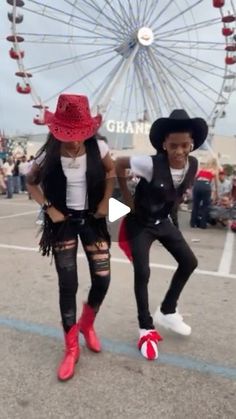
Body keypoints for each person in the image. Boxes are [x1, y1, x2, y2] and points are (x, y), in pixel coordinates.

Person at [26, 94, 115, 381]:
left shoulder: (98, 147)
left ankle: (87, 324)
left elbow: (112, 170)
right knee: (68, 285)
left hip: (92, 219)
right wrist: (49, 209)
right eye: (68, 135)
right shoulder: (47, 152)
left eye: (79, 134)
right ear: (57, 131)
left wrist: (105, 202)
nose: (74, 141)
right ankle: (71, 347)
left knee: (103, 277)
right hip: (62, 222)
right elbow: (31, 183)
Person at [116, 109, 208, 361]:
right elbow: (118, 164)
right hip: (140, 223)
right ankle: (145, 327)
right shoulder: (149, 163)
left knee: (190, 262)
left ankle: (167, 310)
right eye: (174, 146)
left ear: (192, 144)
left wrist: (174, 221)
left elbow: (175, 194)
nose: (179, 151)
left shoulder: (194, 165)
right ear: (164, 145)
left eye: (185, 145)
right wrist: (126, 198)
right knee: (143, 272)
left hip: (163, 221)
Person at [190, 158, 218, 229]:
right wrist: (216, 193)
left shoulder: (201, 169)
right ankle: (203, 225)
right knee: (205, 206)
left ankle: (193, 223)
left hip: (197, 185)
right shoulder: (214, 170)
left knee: (195, 205)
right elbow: (216, 184)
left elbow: (194, 178)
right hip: (206, 186)